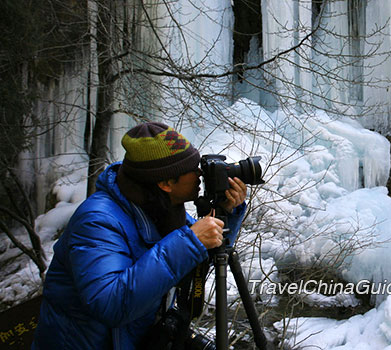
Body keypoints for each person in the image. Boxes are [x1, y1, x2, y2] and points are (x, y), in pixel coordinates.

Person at [32, 122, 247, 349]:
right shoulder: (97, 221)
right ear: (165, 183)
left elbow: (202, 256)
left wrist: (227, 213)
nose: (200, 174)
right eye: (193, 169)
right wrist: (190, 241)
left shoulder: (160, 207)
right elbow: (110, 303)